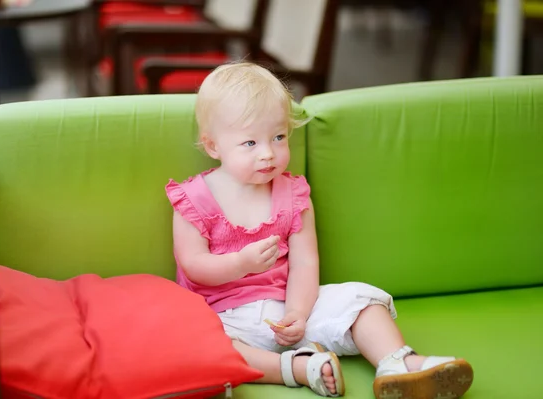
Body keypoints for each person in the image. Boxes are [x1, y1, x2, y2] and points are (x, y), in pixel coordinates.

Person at [165, 62, 473, 398]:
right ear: (213, 146)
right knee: (196, 342)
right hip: (225, 317)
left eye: (279, 137)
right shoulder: (193, 199)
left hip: (291, 307)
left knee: (362, 300)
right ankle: (297, 369)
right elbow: (193, 265)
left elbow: (305, 263)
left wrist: (297, 312)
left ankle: (399, 364)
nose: (268, 154)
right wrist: (241, 264)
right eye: (250, 143)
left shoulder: (293, 193)